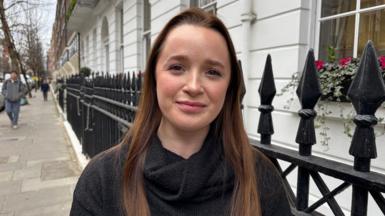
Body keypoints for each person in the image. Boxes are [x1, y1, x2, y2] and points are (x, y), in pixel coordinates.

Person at [70, 8, 291, 216]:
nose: (194, 86)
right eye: (177, 67)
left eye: (213, 72)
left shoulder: (262, 180)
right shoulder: (101, 181)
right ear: (154, 77)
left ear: (229, 87)